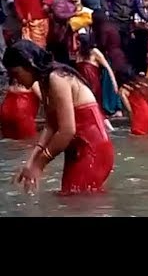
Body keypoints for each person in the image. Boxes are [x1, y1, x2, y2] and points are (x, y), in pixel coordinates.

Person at [2, 40, 114, 195]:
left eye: (16, 73)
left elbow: (67, 131)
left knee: (77, 202)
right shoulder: (43, 80)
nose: (15, 79)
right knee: (72, 198)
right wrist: (31, 162)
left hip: (92, 149)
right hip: (76, 149)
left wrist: (40, 164)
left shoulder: (57, 78)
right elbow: (51, 126)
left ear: (30, 63)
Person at [75, 34, 118, 132]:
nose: (76, 44)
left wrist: (114, 82)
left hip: (93, 83)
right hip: (82, 83)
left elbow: (108, 67)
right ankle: (102, 127)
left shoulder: (94, 52)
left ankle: (108, 128)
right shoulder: (79, 54)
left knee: (95, 104)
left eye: (78, 42)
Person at [119, 71, 148, 136]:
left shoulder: (123, 89)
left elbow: (129, 110)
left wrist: (133, 122)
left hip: (142, 118)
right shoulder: (146, 83)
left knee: (137, 140)